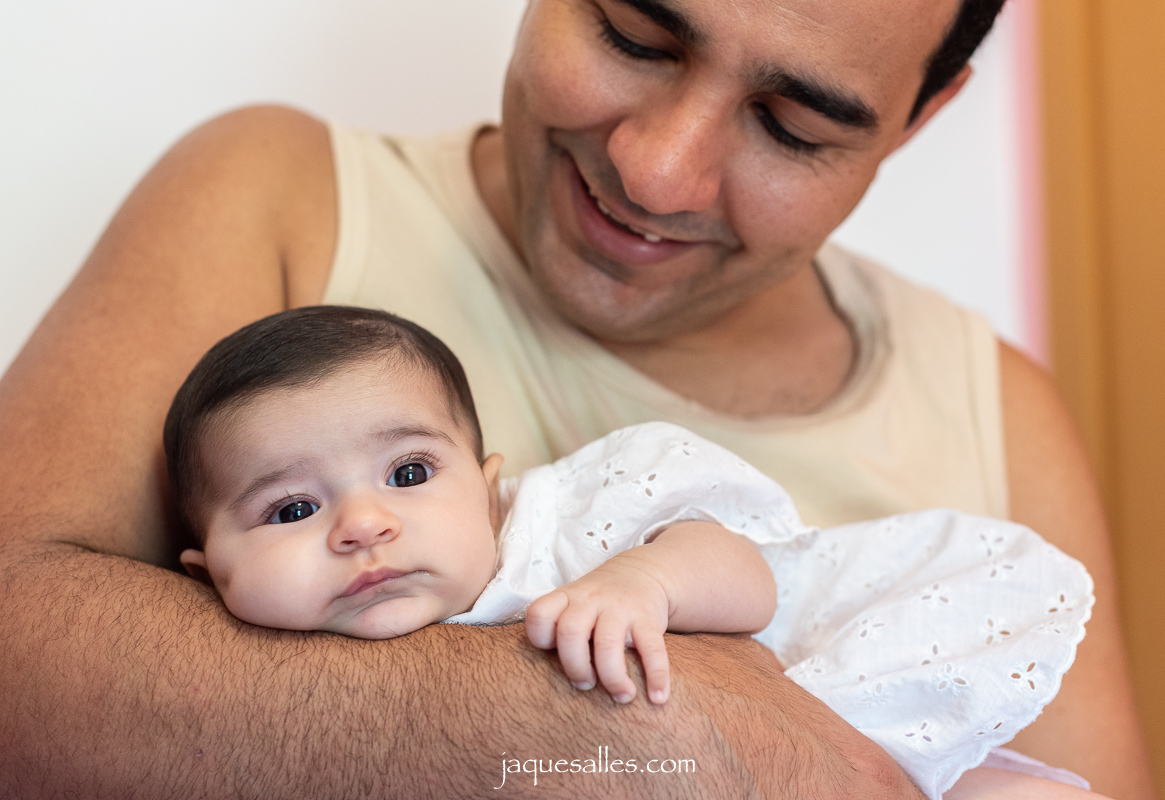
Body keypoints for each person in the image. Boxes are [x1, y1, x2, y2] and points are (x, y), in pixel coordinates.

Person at [0, 0, 1154, 798]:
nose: (656, 170)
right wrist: (618, 732)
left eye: (790, 127)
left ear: (921, 115)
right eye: (633, 34)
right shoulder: (284, 199)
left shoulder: (993, 415)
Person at [169, 306, 1095, 800]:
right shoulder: (260, 710)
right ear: (206, 572)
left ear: (488, 486)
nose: (363, 525)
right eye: (291, 506)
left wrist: (644, 580)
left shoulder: (573, 517)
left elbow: (752, 580)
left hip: (846, 686)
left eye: (409, 472)